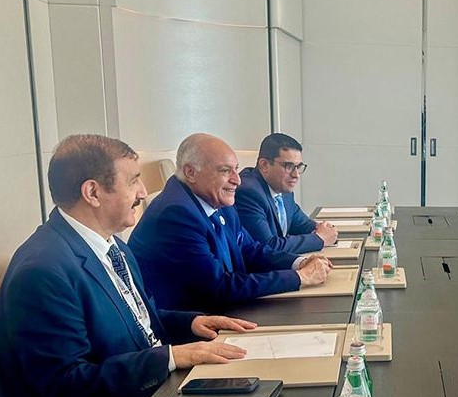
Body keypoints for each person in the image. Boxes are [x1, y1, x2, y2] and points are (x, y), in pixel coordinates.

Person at [0, 135, 255, 397]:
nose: (144, 192)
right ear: (93, 192)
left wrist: (190, 322)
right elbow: (66, 387)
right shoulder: (43, 271)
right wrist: (170, 357)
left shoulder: (112, 246)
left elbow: (135, 321)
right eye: (133, 180)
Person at [129, 133, 332, 311]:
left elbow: (250, 250)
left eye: (236, 169)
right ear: (190, 172)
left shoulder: (217, 200)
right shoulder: (176, 214)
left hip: (223, 310)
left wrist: (298, 263)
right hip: (191, 325)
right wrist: (300, 277)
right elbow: (218, 287)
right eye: (225, 170)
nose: (237, 180)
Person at [235, 133, 338, 254]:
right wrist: (319, 239)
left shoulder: (283, 190)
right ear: (264, 165)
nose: (296, 175)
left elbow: (302, 225)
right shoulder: (248, 193)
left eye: (298, 167)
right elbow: (268, 247)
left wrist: (323, 229)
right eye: (289, 166)